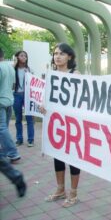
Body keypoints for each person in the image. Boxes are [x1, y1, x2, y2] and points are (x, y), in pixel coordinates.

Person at [43, 43, 81, 208]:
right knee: (57, 155)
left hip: (73, 123)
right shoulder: (50, 75)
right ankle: (60, 189)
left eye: (62, 54)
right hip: (56, 123)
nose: (57, 56)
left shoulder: (76, 74)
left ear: (70, 57)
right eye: (55, 53)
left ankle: (73, 192)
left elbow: (83, 98)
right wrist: (42, 106)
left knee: (73, 157)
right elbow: (46, 97)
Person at [0, 48, 21, 164]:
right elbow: (13, 85)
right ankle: (3, 153)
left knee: (2, 129)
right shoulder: (10, 67)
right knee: (4, 129)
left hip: (1, 102)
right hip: (9, 100)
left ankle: (13, 153)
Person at [13, 50, 35, 147]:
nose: (23, 57)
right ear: (17, 57)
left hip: (27, 96)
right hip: (17, 95)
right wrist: (13, 65)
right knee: (18, 119)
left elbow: (34, 83)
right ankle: (19, 139)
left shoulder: (29, 69)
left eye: (25, 56)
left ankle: (30, 140)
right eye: (21, 56)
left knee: (29, 118)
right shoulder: (13, 69)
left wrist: (28, 74)